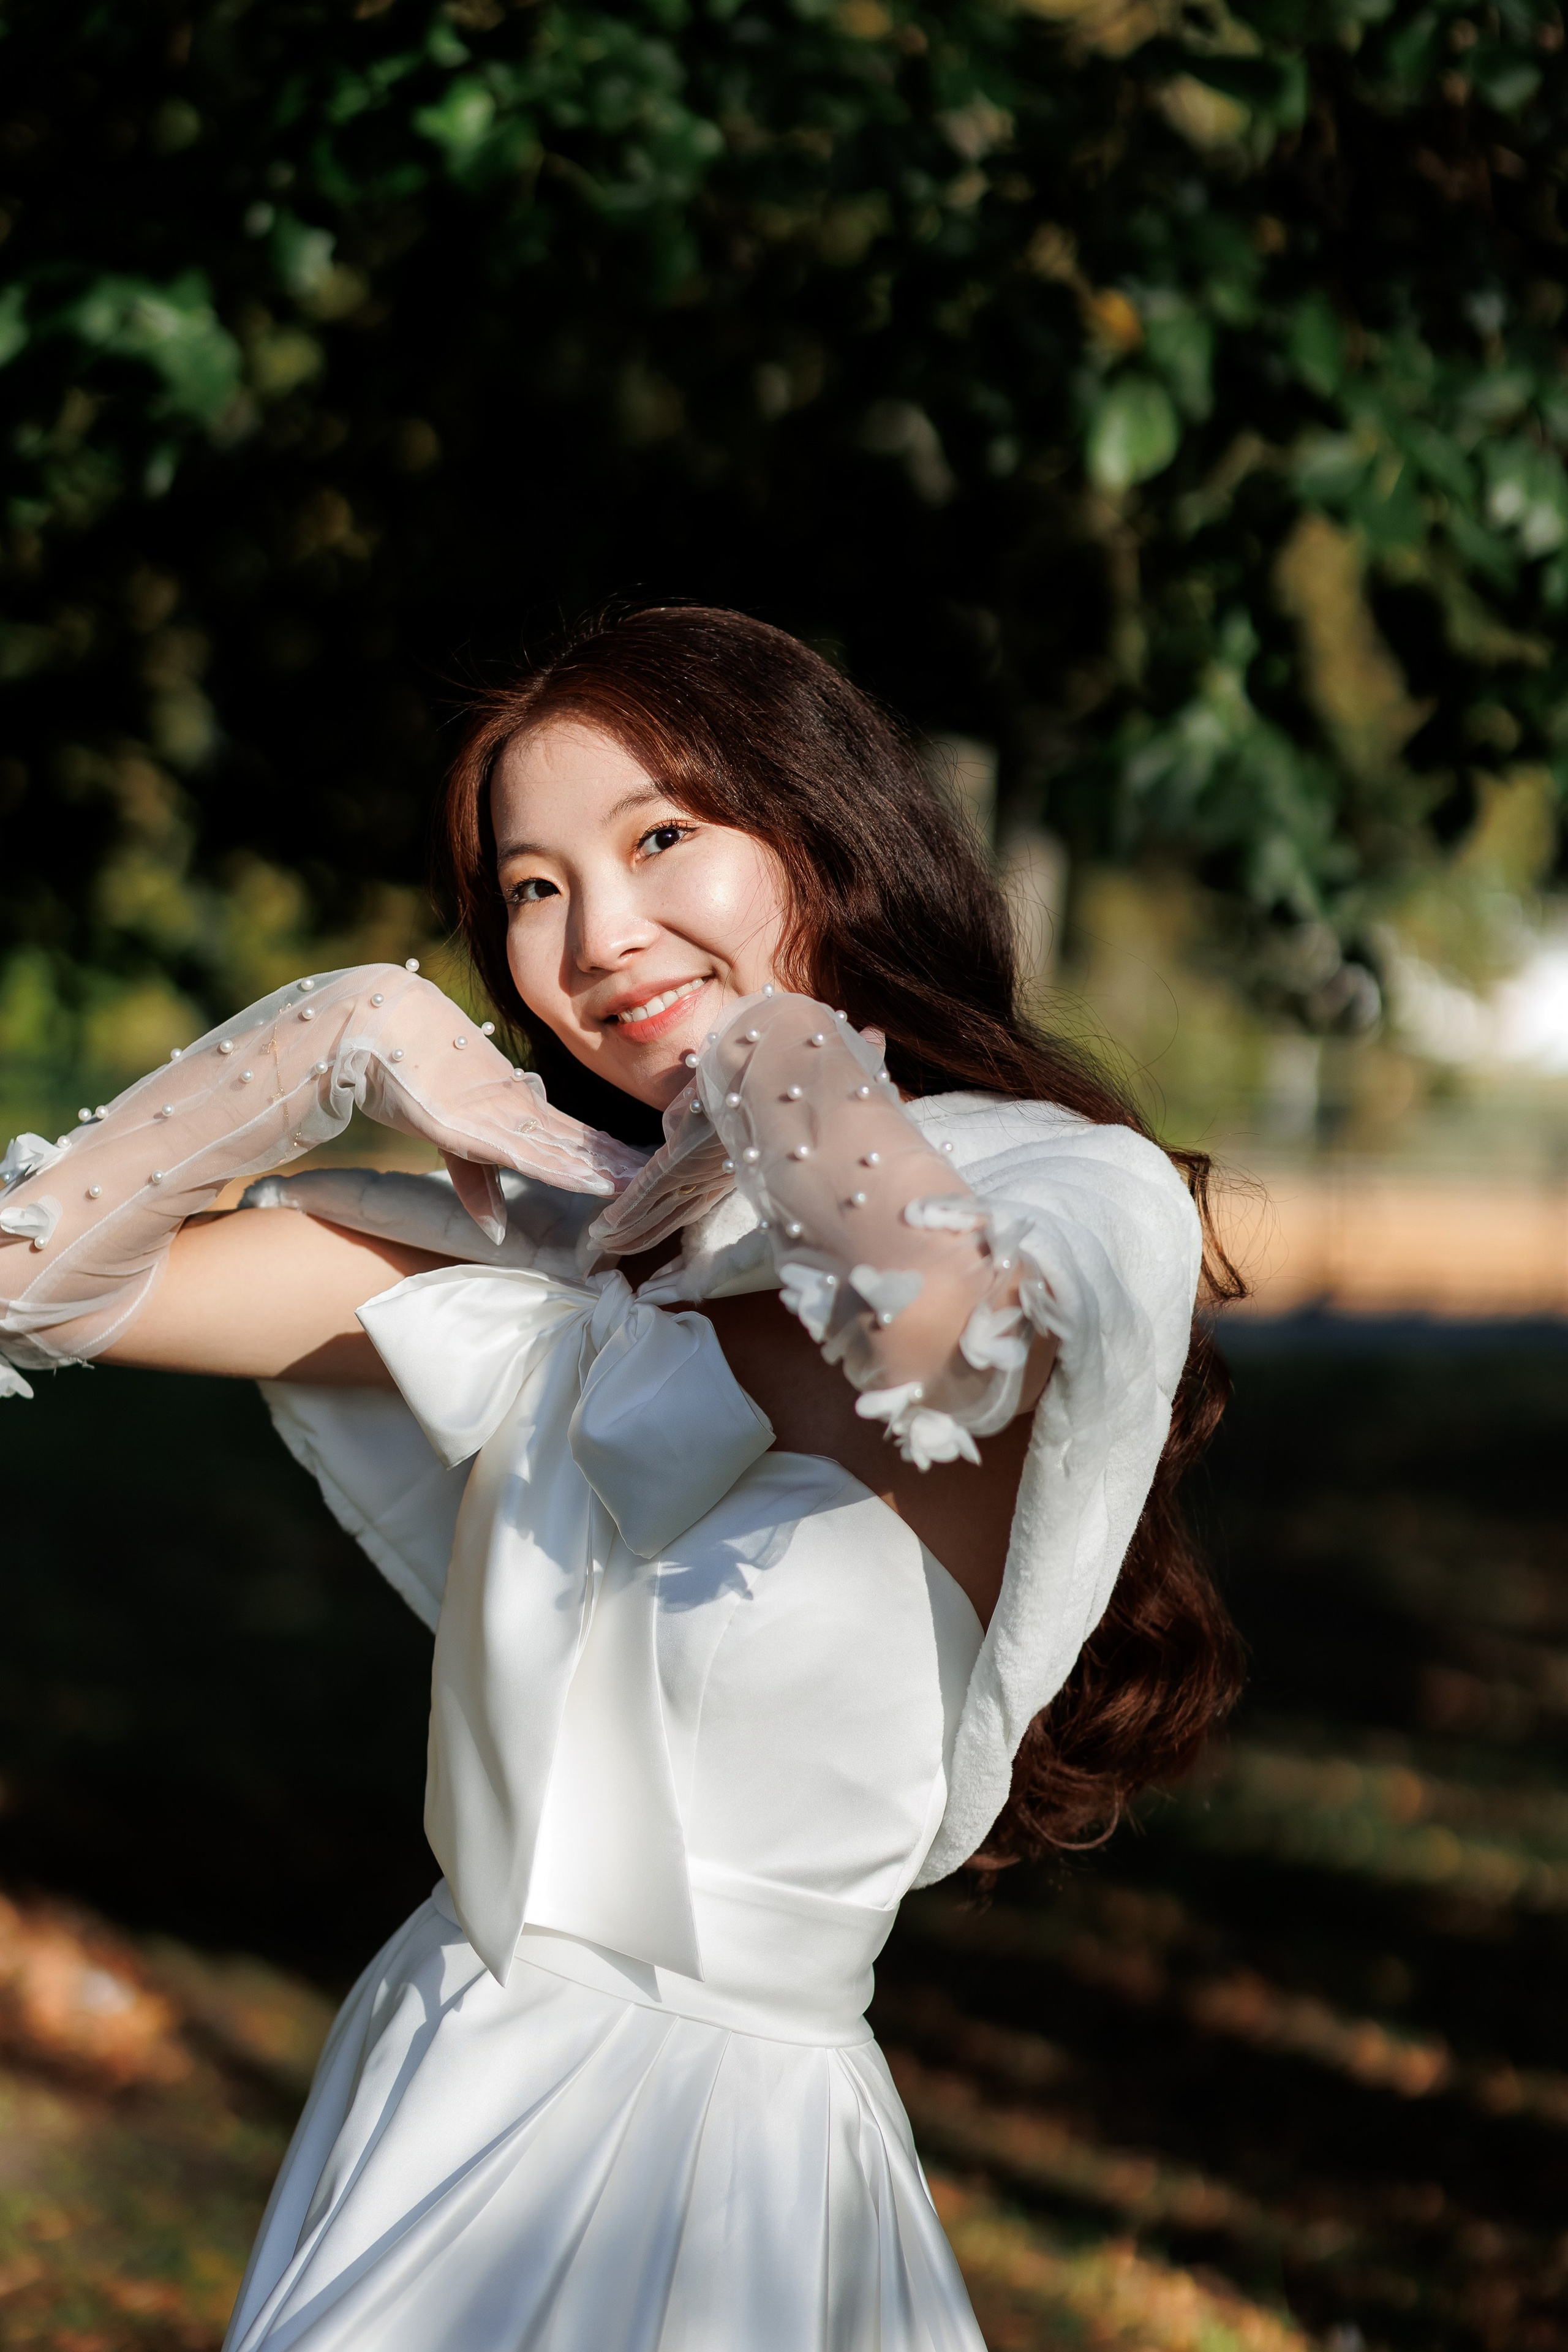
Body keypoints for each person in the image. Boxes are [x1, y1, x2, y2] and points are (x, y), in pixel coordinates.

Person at [0, 606, 1241, 2351]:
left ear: (825, 829)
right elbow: (31, 1287)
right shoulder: (555, 1260)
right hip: (444, 2060)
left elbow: (939, 1340)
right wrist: (336, 1039)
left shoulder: (1071, 1189)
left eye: (662, 837)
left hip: (718, 2159)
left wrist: (764, 1063)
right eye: (530, 885)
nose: (596, 933)